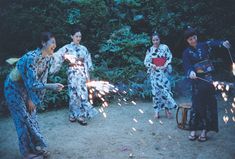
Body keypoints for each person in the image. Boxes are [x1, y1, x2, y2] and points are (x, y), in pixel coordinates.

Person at [4, 32, 64, 159]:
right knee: (23, 119)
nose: (55, 45)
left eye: (55, 42)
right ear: (43, 43)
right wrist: (51, 86)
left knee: (32, 119)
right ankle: (26, 153)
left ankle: (36, 148)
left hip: (27, 90)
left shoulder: (47, 58)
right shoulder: (31, 58)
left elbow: (41, 81)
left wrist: (32, 99)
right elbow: (32, 83)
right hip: (13, 89)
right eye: (52, 42)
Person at [183, 27, 231, 142]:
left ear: (196, 37)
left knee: (209, 105)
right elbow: (187, 65)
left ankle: (205, 130)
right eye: (190, 39)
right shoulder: (186, 52)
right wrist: (190, 72)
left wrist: (222, 43)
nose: (193, 40)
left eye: (194, 38)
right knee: (197, 105)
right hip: (197, 82)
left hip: (209, 80)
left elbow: (213, 43)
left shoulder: (203, 45)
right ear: (187, 41)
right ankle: (193, 129)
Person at [50, 27, 98, 125]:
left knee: (82, 94)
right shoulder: (66, 48)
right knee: (73, 94)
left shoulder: (84, 49)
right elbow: (57, 55)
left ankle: (81, 116)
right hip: (72, 73)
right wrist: (49, 56)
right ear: (72, 36)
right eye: (76, 36)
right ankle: (73, 114)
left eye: (80, 36)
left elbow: (88, 62)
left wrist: (88, 76)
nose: (78, 38)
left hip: (82, 73)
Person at [144, 32, 177, 119]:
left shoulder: (165, 47)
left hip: (164, 72)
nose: (155, 42)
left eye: (157, 39)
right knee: (156, 93)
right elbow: (146, 62)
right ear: (152, 41)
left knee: (166, 90)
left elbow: (169, 57)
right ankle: (156, 111)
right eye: (153, 40)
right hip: (154, 74)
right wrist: (152, 65)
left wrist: (165, 65)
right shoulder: (150, 50)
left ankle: (167, 110)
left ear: (159, 39)